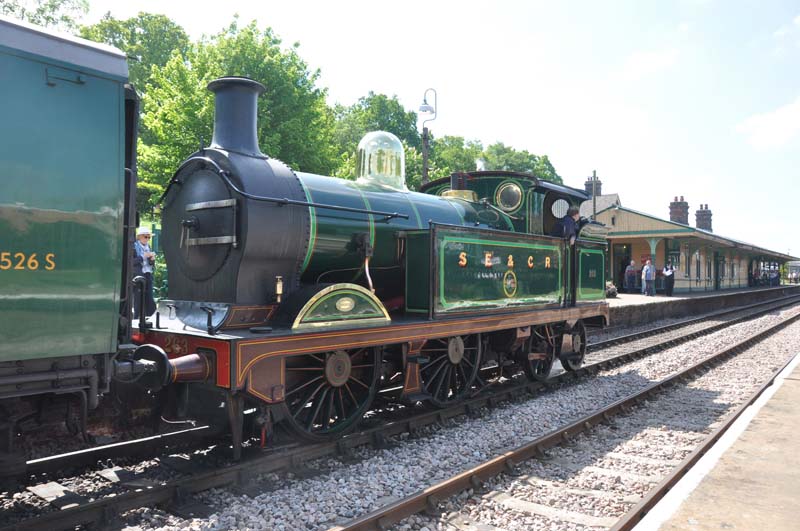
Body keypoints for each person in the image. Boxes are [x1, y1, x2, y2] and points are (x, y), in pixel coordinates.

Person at [133, 226, 157, 319]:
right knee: (138, 297)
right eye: (145, 237)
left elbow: (149, 263)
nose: (147, 239)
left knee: (149, 296)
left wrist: (152, 259)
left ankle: (150, 316)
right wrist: (143, 256)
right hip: (138, 275)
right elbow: (132, 261)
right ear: (139, 237)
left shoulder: (148, 247)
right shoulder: (134, 247)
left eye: (149, 237)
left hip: (148, 274)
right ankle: (136, 317)